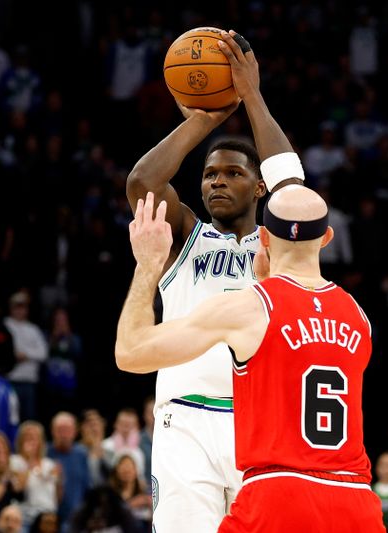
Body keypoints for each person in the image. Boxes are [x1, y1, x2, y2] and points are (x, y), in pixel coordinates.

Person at [115, 184, 384, 530]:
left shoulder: (251, 307)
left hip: (280, 493)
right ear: (327, 237)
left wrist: (148, 265)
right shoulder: (358, 316)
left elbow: (130, 352)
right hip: (355, 499)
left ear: (265, 238)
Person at [123, 29, 302, 532]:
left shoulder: (281, 242)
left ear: (259, 185)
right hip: (186, 420)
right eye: (209, 175)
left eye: (232, 173)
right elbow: (142, 184)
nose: (217, 181)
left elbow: (293, 186)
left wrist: (251, 96)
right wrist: (202, 122)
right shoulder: (185, 237)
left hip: (262, 423)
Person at [4, 292, 48, 422]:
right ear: (11, 308)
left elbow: (43, 353)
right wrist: (13, 355)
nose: (19, 310)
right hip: (9, 380)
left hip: (29, 383)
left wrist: (25, 354)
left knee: (29, 419)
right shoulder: (5, 325)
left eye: (22, 307)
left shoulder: (33, 329)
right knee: (10, 418)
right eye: (16, 306)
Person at [9, 421, 60, 532]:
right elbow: (18, 489)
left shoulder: (49, 463)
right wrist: (29, 460)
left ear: (41, 441)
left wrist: (60, 480)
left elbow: (56, 496)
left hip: (48, 516)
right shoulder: (14, 461)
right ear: (20, 440)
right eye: (27, 436)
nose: (31, 440)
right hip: (27, 517)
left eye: (34, 437)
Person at [46, 412, 89, 531]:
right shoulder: (45, 452)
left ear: (75, 432)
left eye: (68, 430)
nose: (64, 434)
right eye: (60, 430)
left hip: (77, 519)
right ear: (52, 431)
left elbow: (87, 487)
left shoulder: (82, 454)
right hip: (50, 519)